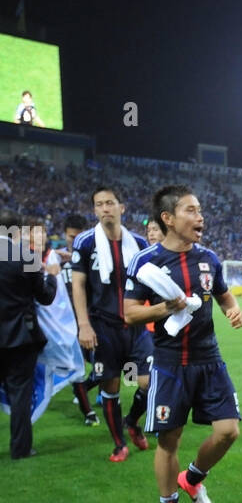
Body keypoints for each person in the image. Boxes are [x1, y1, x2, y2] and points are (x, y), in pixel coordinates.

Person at [124, 185, 242, 503]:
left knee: (228, 431)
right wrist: (165, 308)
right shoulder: (146, 262)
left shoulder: (210, 258)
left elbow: (223, 297)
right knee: (168, 440)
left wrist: (233, 310)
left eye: (200, 210)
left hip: (210, 359)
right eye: (191, 210)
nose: (200, 217)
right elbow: (130, 314)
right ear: (168, 218)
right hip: (169, 363)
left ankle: (192, 479)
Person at [70, 188, 150, 459]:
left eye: (110, 203)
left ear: (121, 207)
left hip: (136, 326)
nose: (105, 208)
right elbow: (78, 285)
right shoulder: (84, 241)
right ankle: (120, 444)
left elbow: (149, 282)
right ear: (94, 210)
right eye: (99, 205)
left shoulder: (138, 243)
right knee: (111, 387)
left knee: (148, 382)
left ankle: (132, 422)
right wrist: (83, 325)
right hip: (103, 326)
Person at [0, 211, 58, 458]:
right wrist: (53, 277)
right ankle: (20, 448)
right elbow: (45, 297)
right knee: (20, 393)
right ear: (16, 231)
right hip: (21, 337)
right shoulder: (27, 256)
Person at [59, 214, 100, 425]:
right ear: (64, 235)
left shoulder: (92, 259)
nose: (72, 241)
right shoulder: (55, 258)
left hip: (90, 320)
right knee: (76, 368)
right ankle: (88, 412)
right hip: (65, 325)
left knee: (102, 365)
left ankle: (90, 392)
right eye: (69, 236)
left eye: (77, 237)